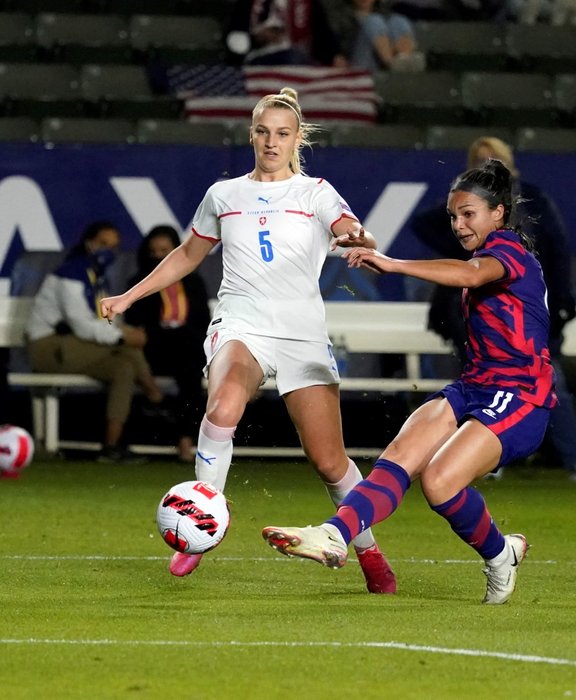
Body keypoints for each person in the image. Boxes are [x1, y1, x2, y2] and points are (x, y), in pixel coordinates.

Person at [100, 88, 396, 594]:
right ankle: (200, 530)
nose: (271, 141)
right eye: (263, 131)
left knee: (329, 461)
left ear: (297, 138)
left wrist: (355, 238)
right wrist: (130, 295)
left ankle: (369, 552)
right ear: (251, 134)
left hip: (301, 333)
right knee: (222, 407)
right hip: (241, 322)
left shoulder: (316, 192)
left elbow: (348, 226)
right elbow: (188, 255)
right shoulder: (225, 195)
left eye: (282, 133)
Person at [260, 159, 555, 604]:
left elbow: (471, 275)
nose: (458, 225)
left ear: (498, 213)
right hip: (475, 385)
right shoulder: (484, 254)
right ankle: (334, 534)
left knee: (438, 482)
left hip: (521, 396)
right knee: (400, 455)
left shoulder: (509, 249)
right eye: (453, 216)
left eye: (468, 214)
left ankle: (500, 555)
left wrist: (392, 264)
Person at [411, 136, 576, 484]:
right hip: (477, 320)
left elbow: (557, 251)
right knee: (480, 386)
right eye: (480, 161)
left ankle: (568, 459)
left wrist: (560, 305)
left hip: (523, 319)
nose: (460, 224)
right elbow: (425, 225)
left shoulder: (531, 201)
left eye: (494, 160)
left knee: (551, 385)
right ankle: (486, 458)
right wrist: (460, 240)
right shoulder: (465, 211)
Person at [25, 221, 167, 463]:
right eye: (103, 244)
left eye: (113, 247)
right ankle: (155, 396)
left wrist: (123, 331)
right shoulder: (71, 273)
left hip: (74, 346)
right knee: (126, 347)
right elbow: (81, 324)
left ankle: (111, 447)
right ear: (88, 243)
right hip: (47, 347)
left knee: (124, 368)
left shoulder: (96, 277)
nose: (107, 251)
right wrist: (122, 335)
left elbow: (104, 320)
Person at [123, 225, 212, 463]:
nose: (159, 257)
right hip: (155, 351)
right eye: (154, 252)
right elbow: (135, 323)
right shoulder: (138, 283)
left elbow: (203, 320)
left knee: (191, 373)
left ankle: (186, 440)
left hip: (187, 352)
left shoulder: (193, 283)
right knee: (186, 348)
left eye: (165, 250)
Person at [324, 0, 423, 73]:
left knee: (399, 20)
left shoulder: (384, 12)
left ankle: (405, 60)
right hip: (355, 63)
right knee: (374, 21)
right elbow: (335, 43)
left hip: (381, 62)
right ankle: (393, 65)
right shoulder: (339, 14)